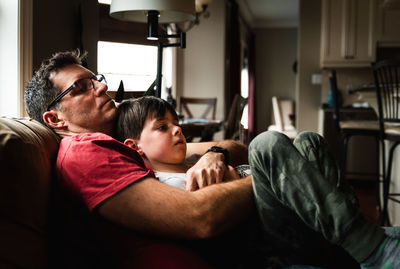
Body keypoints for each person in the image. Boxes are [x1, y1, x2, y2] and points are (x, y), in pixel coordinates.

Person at [24, 50, 400, 269]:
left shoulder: (121, 147)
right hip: (254, 248)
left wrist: (217, 154)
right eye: (83, 87)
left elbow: (229, 146)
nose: (102, 86)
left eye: (97, 78)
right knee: (271, 145)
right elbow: (198, 218)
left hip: (262, 226)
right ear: (55, 119)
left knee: (307, 141)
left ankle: (364, 238)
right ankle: (372, 248)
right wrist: (280, 175)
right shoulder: (86, 153)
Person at [115, 96, 251, 190]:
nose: (178, 129)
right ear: (134, 147)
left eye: (176, 123)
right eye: (162, 127)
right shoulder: (174, 185)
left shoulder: (195, 159)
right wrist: (236, 183)